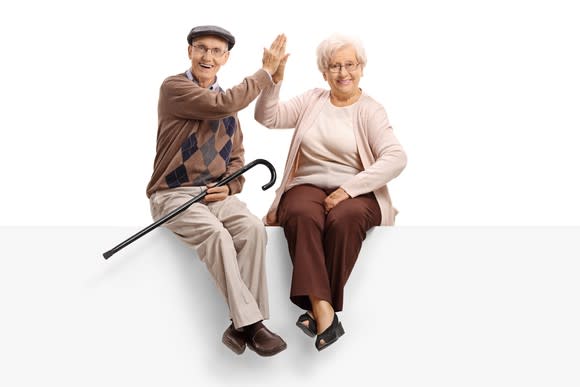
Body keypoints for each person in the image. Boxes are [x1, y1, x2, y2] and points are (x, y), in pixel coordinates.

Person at [254, 34, 407, 351]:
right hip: (305, 185)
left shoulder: (371, 110)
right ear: (324, 72)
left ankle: (317, 311)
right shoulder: (312, 100)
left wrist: (349, 190)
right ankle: (325, 313)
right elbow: (267, 117)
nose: (343, 73)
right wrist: (273, 81)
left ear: (361, 68)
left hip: (356, 191)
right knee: (300, 214)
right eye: (334, 66)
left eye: (349, 64)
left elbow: (396, 158)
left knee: (345, 219)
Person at [146, 25, 287, 357]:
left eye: (216, 51)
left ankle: (241, 325)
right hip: (173, 194)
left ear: (225, 58)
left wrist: (228, 187)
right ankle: (252, 325)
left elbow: (237, 160)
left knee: (253, 228)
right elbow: (221, 103)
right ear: (190, 52)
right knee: (216, 235)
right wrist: (266, 73)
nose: (207, 56)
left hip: (213, 196)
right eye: (201, 48)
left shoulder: (229, 111)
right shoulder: (175, 87)